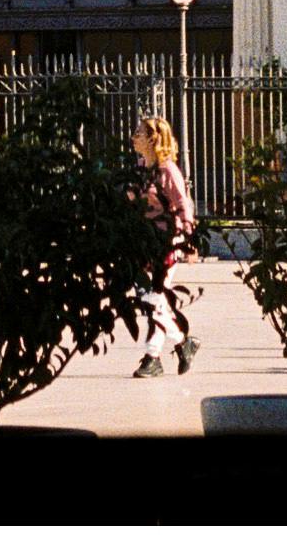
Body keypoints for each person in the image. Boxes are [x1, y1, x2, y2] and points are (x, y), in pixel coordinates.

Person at [127, 115, 200, 378]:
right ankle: (182, 342)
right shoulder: (140, 168)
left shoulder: (168, 171)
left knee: (155, 298)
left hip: (166, 243)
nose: (135, 136)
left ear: (153, 139)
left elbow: (183, 205)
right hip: (145, 242)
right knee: (149, 298)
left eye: (140, 132)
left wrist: (187, 239)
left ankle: (152, 357)